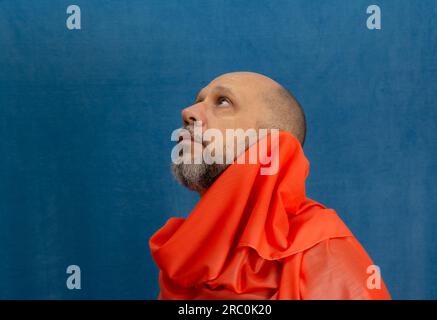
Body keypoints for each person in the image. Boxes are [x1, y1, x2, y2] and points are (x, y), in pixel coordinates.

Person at [149, 72, 391, 299]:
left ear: (270, 143)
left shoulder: (324, 251)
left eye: (223, 102)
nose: (188, 112)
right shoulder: (183, 258)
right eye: (198, 100)